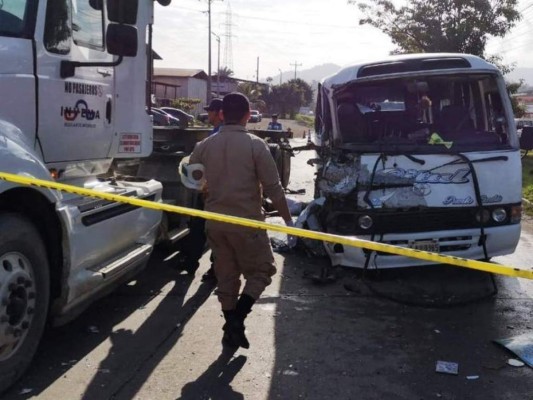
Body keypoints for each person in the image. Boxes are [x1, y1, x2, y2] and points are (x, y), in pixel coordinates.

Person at [189, 92, 293, 349]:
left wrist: (208, 188)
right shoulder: (255, 145)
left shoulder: (204, 146)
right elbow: (274, 189)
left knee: (226, 277)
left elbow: (192, 180)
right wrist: (289, 222)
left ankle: (230, 331)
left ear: (222, 114)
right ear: (248, 115)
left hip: (215, 223)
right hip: (247, 224)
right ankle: (236, 319)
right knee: (262, 270)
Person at [178, 98, 223, 282]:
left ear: (219, 113)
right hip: (207, 190)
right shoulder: (215, 132)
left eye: (210, 111)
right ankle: (191, 262)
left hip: (214, 192)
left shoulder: (220, 135)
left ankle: (214, 268)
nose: (208, 114)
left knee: (214, 231)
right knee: (198, 227)